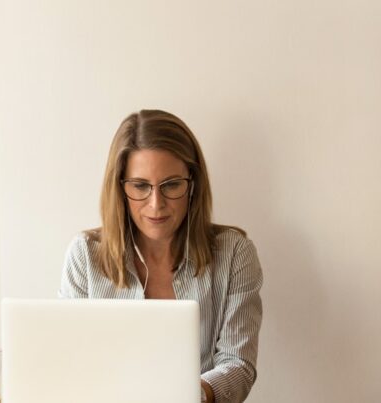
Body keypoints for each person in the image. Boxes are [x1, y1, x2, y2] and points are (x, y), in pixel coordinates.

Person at [58, 109, 263, 403]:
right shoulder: (85, 255)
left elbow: (238, 365)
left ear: (192, 183)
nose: (156, 204)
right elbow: (68, 362)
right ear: (120, 187)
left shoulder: (234, 254)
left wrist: (194, 394)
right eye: (140, 186)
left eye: (171, 185)